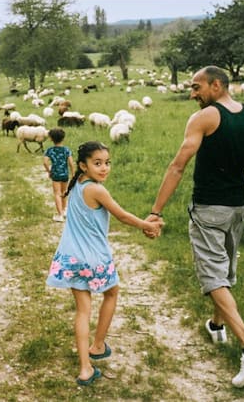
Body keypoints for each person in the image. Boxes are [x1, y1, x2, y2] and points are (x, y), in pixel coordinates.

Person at [146, 65, 244, 388]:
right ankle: (217, 327)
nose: (192, 94)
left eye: (197, 87)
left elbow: (178, 165)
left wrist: (156, 211)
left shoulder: (204, 118)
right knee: (225, 268)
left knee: (213, 275)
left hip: (208, 208)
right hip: (238, 208)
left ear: (216, 85)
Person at [46, 141, 163, 386]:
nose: (104, 168)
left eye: (107, 163)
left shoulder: (77, 184)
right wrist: (148, 225)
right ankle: (97, 345)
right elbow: (121, 215)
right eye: (97, 163)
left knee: (82, 310)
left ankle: (85, 369)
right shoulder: (97, 190)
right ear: (82, 166)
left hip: (71, 257)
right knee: (112, 293)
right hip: (94, 258)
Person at [43, 128, 76, 222]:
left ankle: (60, 215)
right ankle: (64, 210)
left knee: (57, 193)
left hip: (55, 175)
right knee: (64, 192)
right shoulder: (66, 150)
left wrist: (49, 171)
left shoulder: (50, 150)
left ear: (51, 139)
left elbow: (45, 162)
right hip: (65, 174)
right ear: (63, 138)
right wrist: (73, 173)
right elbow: (71, 163)